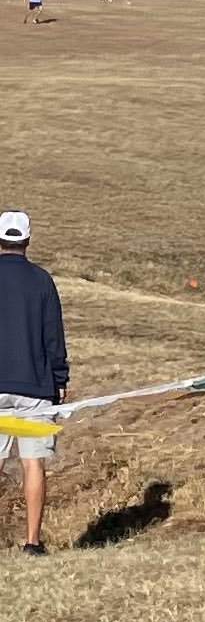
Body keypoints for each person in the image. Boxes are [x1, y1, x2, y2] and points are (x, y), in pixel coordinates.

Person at [0, 211, 69, 557]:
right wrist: (60, 379)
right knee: (33, 464)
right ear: (27, 240)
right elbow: (52, 336)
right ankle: (32, 542)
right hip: (35, 389)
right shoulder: (42, 281)